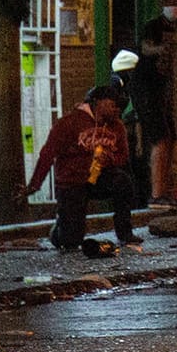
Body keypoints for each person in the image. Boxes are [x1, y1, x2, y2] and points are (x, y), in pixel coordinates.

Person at [25, 86, 141, 253]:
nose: (117, 109)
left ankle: (125, 233)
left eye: (118, 106)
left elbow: (123, 156)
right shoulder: (69, 123)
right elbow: (48, 154)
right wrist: (35, 184)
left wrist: (109, 160)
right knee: (71, 241)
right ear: (96, 103)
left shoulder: (117, 127)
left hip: (100, 177)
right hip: (72, 181)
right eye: (112, 104)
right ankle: (59, 231)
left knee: (122, 181)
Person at [135, 0, 177, 208]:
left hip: (159, 90)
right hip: (147, 89)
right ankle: (157, 194)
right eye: (171, 3)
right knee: (160, 140)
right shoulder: (153, 27)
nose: (175, 7)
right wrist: (160, 49)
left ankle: (164, 191)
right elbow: (145, 47)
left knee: (169, 139)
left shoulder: (173, 28)